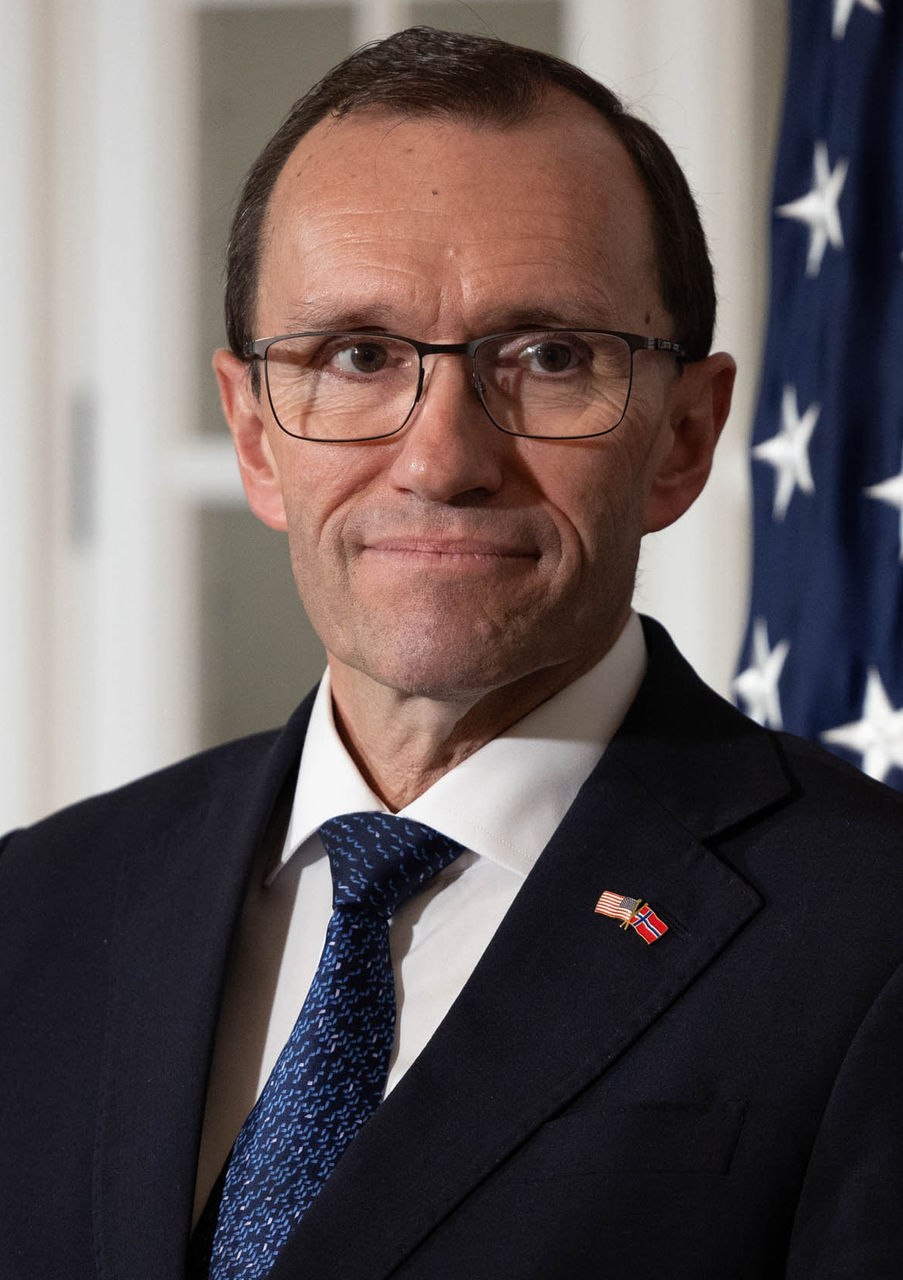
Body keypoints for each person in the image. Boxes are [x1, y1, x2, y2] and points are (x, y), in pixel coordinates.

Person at [1, 26, 901, 1280]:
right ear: (255, 435)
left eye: (549, 357)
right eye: (357, 357)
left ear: (686, 436)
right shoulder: (35, 909)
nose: (440, 459)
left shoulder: (872, 933)